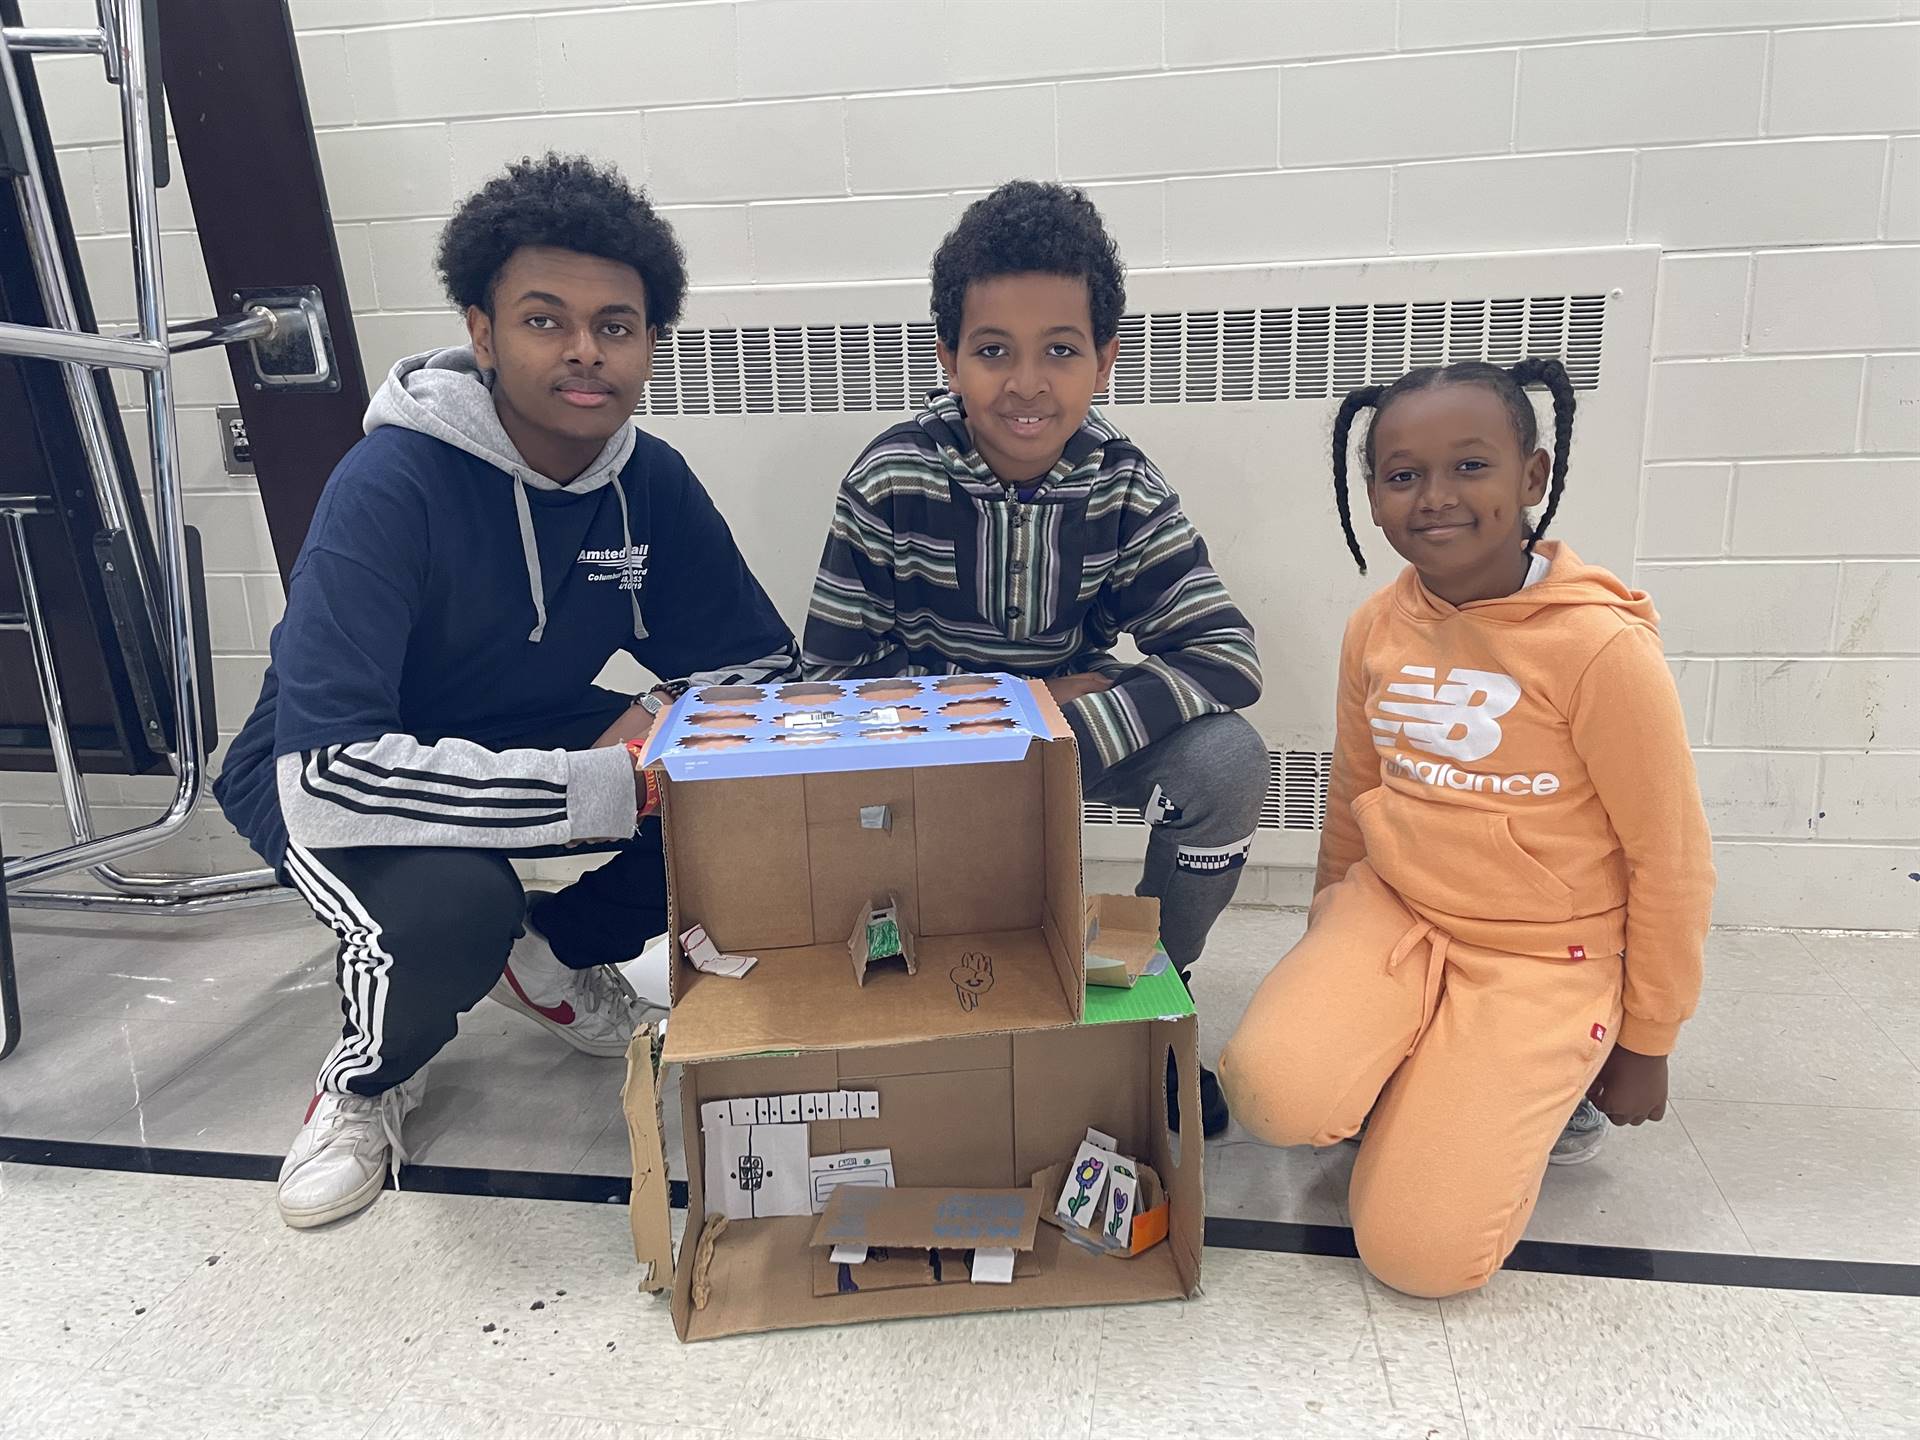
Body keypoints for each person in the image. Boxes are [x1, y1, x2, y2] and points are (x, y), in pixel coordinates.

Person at [214, 155, 796, 1229]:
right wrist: (605, 781)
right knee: (451, 907)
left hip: (510, 725)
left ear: (649, 343)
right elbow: (329, 773)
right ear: (483, 333)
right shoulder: (391, 483)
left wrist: (673, 719)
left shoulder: (646, 479)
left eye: (616, 325)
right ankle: (365, 1081)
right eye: (546, 320)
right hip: (319, 763)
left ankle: (550, 957)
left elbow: (755, 675)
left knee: (746, 781)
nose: (584, 352)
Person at [1218, 358, 1714, 1297]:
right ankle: (1421, 1047)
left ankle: (1557, 1089)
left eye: (1471, 467)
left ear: (1533, 477)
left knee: (1419, 1258)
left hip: (1542, 954)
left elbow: (1672, 858)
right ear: (1372, 495)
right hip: (1399, 914)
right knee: (1271, 1092)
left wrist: (1649, 1040)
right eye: (1403, 475)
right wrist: (1331, 940)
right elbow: (1355, 794)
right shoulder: (1376, 626)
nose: (1435, 497)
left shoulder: (1600, 647)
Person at [801, 180, 1266, 1138]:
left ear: (1105, 360)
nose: (1026, 383)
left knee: (1227, 759)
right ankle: (908, 1002)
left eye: (1060, 351)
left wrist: (1070, 715)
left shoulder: (1122, 482)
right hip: (927, 754)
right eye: (993, 352)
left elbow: (1225, 655)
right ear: (948, 360)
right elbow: (829, 684)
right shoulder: (893, 474)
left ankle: (1151, 999)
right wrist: (1023, 699)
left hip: (1072, 740)